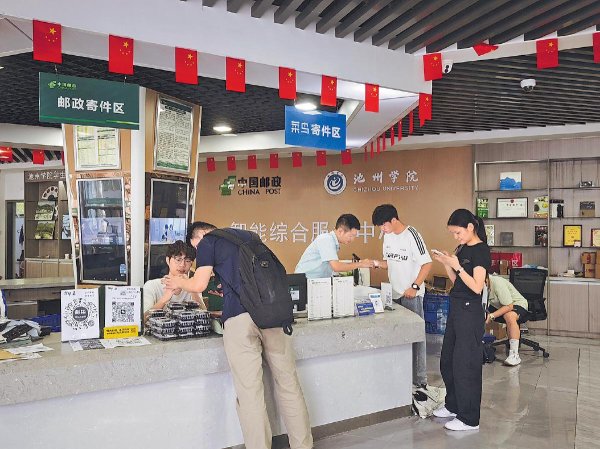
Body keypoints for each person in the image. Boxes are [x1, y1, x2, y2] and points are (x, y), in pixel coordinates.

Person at [163, 222, 313, 449]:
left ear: (198, 236)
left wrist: (179, 282)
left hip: (240, 319)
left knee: (250, 392)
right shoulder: (250, 237)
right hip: (274, 316)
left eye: (194, 248)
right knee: (289, 384)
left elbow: (199, 284)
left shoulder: (208, 242)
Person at [431, 209, 491, 431]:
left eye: (458, 232)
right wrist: (447, 263)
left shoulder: (481, 251)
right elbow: (457, 281)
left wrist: (457, 265)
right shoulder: (462, 248)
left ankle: (469, 418)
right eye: (453, 234)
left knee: (466, 364)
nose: (456, 237)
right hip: (456, 307)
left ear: (470, 228)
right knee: (448, 360)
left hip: (470, 311)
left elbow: (476, 287)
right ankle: (453, 406)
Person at [371, 204, 432, 387]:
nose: (382, 229)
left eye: (384, 225)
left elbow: (427, 264)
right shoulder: (387, 236)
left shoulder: (412, 235)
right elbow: (390, 262)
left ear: (394, 220)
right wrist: (374, 263)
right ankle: (401, 379)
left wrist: (414, 286)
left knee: (416, 338)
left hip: (412, 295)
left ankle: (420, 381)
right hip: (394, 294)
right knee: (399, 337)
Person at [142, 240, 206, 322]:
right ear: (168, 260)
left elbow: (204, 315)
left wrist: (191, 289)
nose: (182, 265)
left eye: (187, 261)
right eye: (178, 259)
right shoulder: (152, 286)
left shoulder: (193, 286)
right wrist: (165, 298)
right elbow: (143, 319)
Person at [295, 213, 373, 278]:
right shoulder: (326, 239)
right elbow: (336, 267)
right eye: (351, 236)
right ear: (340, 231)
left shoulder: (332, 241)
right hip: (304, 282)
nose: (352, 239)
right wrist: (361, 264)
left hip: (314, 282)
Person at [486, 274, 529, 366]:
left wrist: (492, 316)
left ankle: (514, 355)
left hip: (516, 304)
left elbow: (509, 306)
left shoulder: (497, 282)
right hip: (499, 306)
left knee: (509, 316)